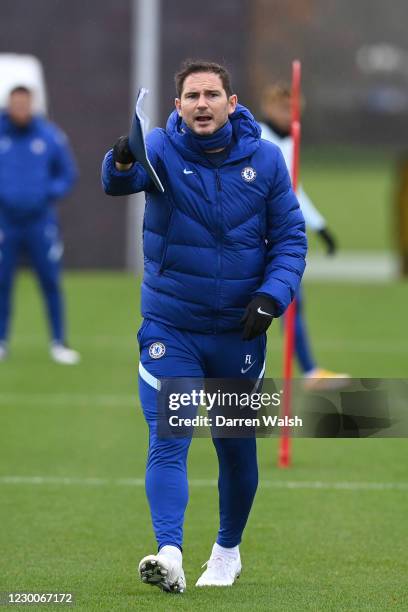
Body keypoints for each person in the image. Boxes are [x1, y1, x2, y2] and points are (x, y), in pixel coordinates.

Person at [102, 60, 307, 593]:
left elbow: (290, 239)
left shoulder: (265, 159)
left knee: (235, 448)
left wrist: (271, 297)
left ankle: (226, 551)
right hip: (172, 328)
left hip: (239, 336)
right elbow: (118, 181)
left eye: (211, 94)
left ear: (231, 103)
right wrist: (121, 155)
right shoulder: (161, 150)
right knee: (169, 437)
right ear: (177, 106)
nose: (201, 103)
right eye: (191, 95)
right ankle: (168, 551)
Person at [258, 83, 349, 389]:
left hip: (281, 239)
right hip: (252, 237)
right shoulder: (254, 137)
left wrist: (320, 226)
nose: (290, 114)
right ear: (269, 107)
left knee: (293, 300)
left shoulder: (291, 142)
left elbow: (293, 189)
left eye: (295, 109)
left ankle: (311, 371)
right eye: (284, 108)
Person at [0, 86, 80, 364]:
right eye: (15, 104)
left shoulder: (49, 136)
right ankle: (1, 342)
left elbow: (68, 173)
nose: (20, 109)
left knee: (50, 281)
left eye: (25, 104)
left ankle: (59, 342)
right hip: (5, 223)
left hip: (40, 222)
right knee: (2, 283)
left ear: (32, 105)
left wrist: (47, 192)